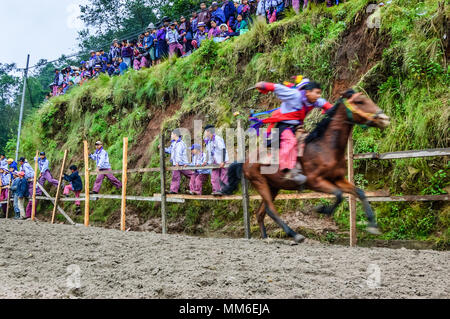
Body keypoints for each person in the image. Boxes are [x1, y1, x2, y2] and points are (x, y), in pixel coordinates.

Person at [253, 79, 333, 184]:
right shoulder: (295, 95)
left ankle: (304, 168)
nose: (318, 96)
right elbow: (278, 87)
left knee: (308, 143)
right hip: (283, 126)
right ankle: (288, 171)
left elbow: (327, 105)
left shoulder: (315, 101)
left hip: (297, 127)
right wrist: (264, 85)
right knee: (290, 142)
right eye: (317, 93)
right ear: (308, 92)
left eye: (319, 93)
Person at [161, 129, 193, 194]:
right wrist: (162, 148)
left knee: (191, 175)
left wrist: (177, 162)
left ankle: (194, 187)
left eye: (172, 134)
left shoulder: (180, 144)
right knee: (175, 176)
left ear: (175, 135)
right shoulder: (173, 143)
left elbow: (179, 154)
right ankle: (173, 190)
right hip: (176, 163)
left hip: (181, 163)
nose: (171, 136)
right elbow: (170, 150)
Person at [203, 125, 229, 195]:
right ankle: (216, 191)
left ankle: (224, 191)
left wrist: (223, 161)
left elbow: (223, 149)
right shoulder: (208, 141)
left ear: (209, 132)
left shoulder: (217, 139)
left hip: (222, 159)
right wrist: (206, 161)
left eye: (205, 131)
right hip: (214, 161)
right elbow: (208, 152)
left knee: (224, 176)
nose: (204, 133)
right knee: (214, 177)